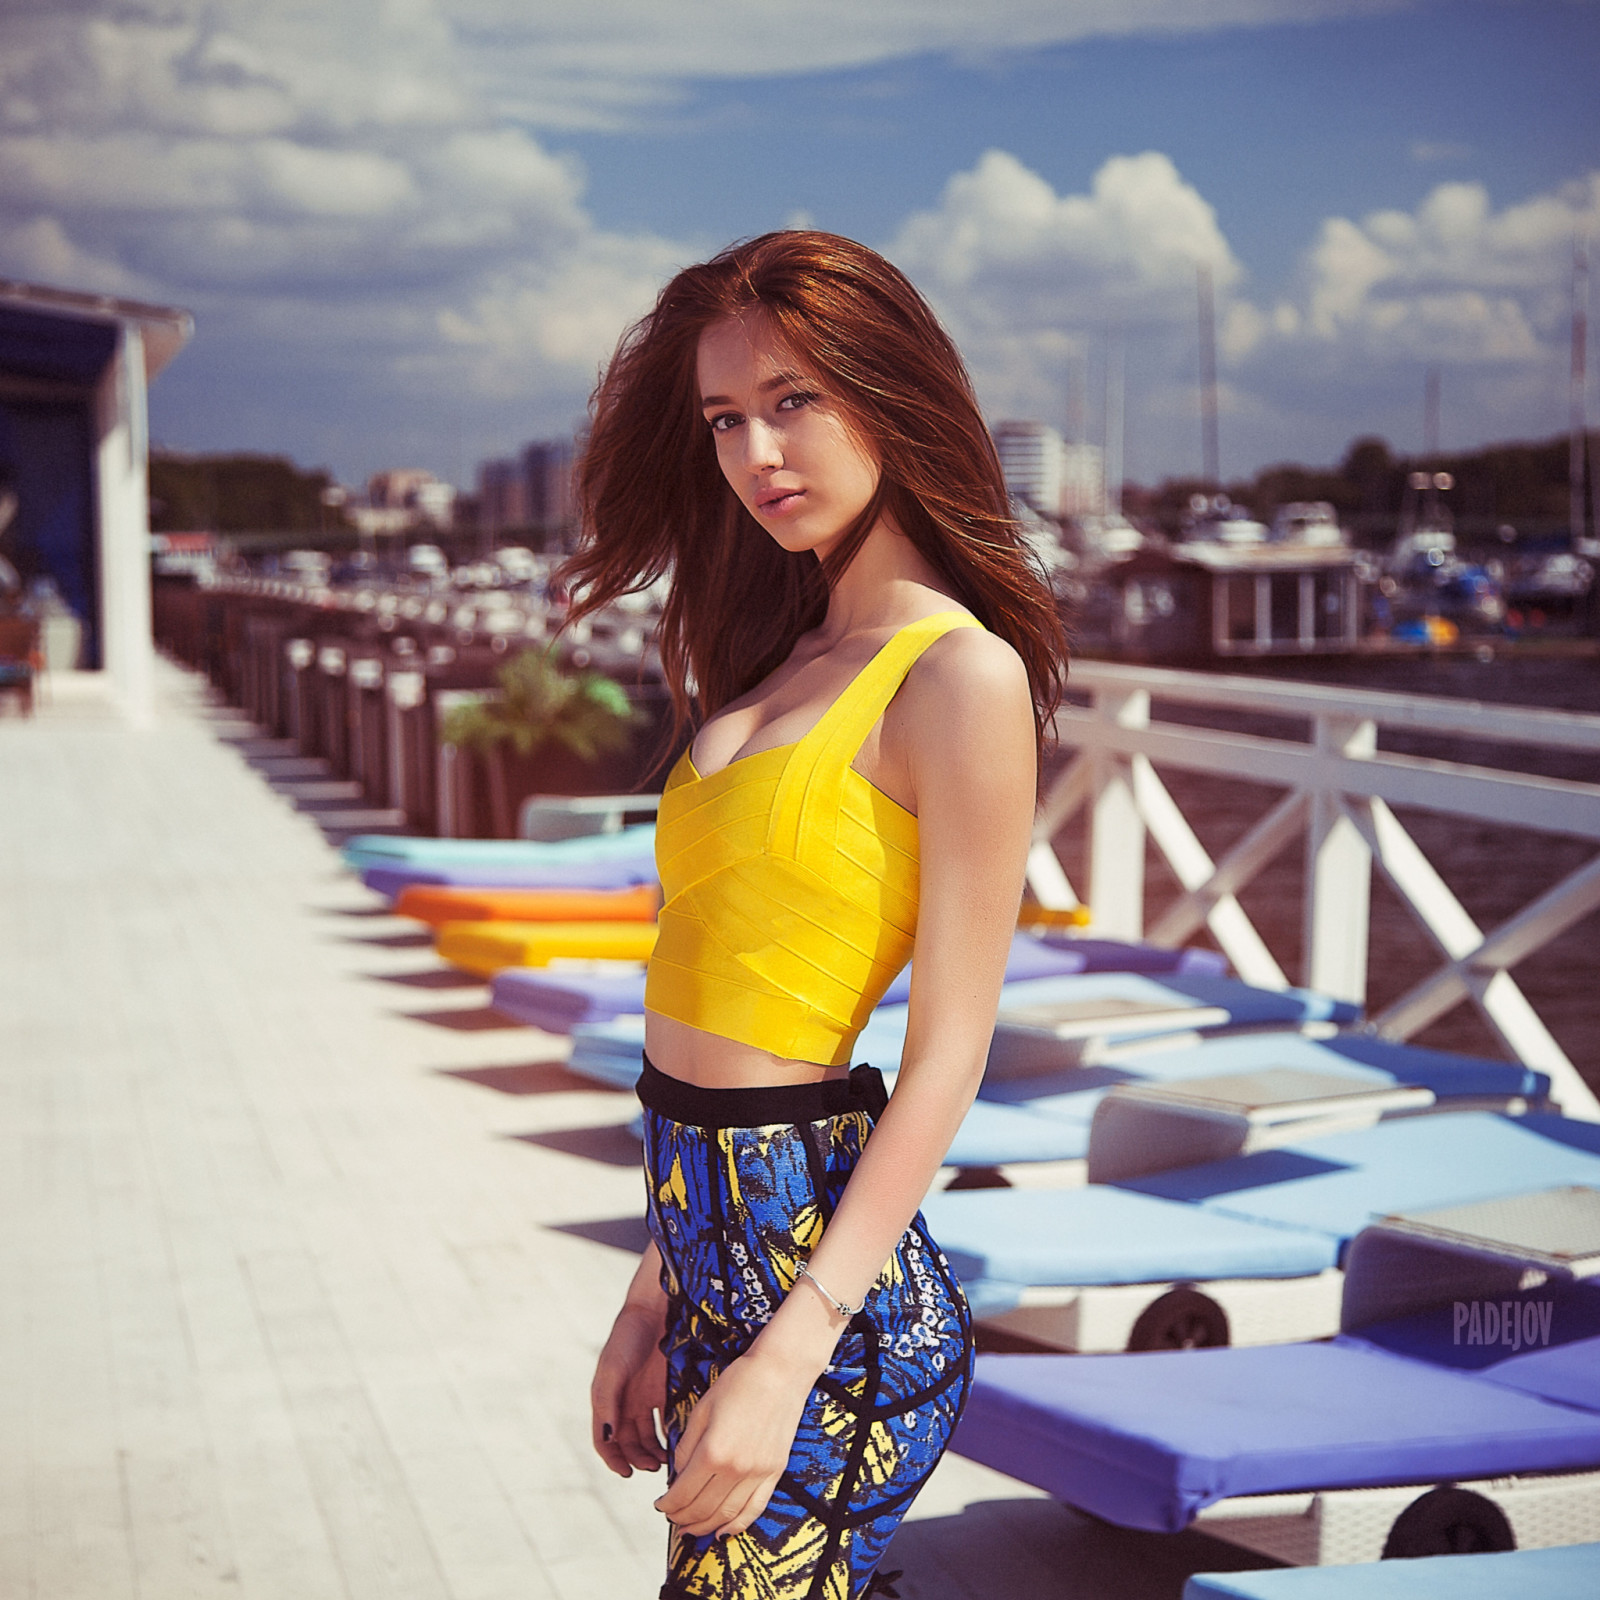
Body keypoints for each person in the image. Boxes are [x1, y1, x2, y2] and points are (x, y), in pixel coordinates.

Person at [566, 231, 1069, 1599]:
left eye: (795, 401)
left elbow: (948, 1056)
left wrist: (789, 1353)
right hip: (709, 1264)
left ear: (889, 392)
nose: (756, 453)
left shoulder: (953, 676)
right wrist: (648, 1292)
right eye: (727, 418)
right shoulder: (780, 656)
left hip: (824, 1308)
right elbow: (706, 996)